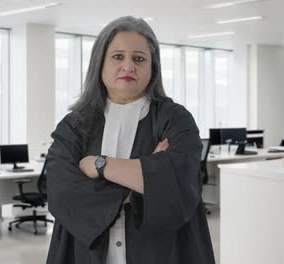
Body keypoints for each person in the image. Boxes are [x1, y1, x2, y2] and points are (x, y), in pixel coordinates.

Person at [45, 16, 215, 264]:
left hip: (166, 253)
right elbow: (62, 195)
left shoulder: (176, 120)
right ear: (99, 63)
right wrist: (147, 178)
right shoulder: (75, 125)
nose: (128, 66)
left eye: (138, 58)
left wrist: (99, 165)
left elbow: (181, 186)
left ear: (152, 67)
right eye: (117, 57)